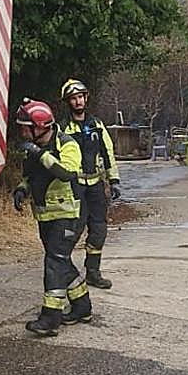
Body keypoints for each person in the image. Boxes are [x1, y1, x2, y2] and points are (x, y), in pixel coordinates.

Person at [12, 98, 92, 336]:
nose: (23, 131)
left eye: (26, 127)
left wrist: (40, 154)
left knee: (54, 262)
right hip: (47, 216)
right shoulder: (31, 148)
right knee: (60, 260)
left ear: (40, 126)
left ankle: (50, 317)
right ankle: (82, 306)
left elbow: (66, 172)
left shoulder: (67, 144)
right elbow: (30, 175)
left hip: (69, 215)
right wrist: (22, 189)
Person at [59, 78, 122, 289]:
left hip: (95, 186)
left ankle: (93, 272)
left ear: (86, 98)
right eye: (73, 99)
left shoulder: (97, 125)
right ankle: (62, 270)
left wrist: (114, 180)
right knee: (72, 230)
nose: (77, 102)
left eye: (80, 97)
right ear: (68, 102)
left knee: (98, 229)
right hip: (74, 187)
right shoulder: (62, 129)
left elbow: (108, 151)